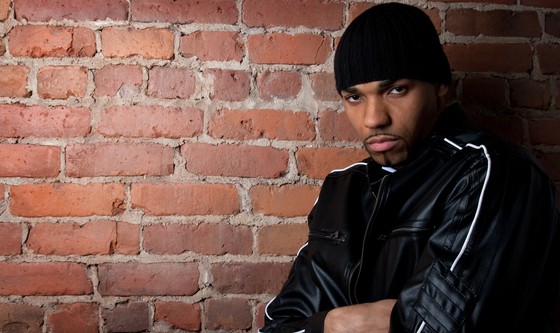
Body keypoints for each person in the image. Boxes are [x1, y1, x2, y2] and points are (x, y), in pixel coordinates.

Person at [259, 2, 560, 333]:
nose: (374, 119)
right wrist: (337, 322)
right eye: (354, 97)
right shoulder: (341, 189)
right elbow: (277, 326)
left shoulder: (491, 172)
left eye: (396, 89)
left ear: (440, 85)